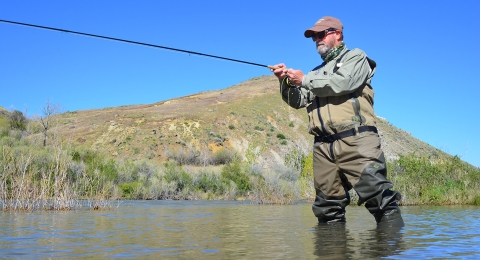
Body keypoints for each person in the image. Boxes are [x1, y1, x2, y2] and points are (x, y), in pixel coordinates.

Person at [271, 16, 404, 227]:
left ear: (337, 34)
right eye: (314, 36)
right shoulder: (316, 73)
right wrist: (285, 83)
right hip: (323, 148)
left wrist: (304, 80)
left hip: (357, 140)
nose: (317, 39)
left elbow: (344, 82)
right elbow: (297, 101)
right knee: (327, 210)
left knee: (381, 201)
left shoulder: (356, 57)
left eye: (322, 33)